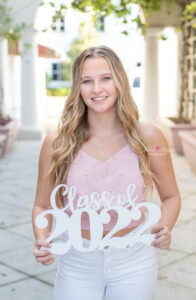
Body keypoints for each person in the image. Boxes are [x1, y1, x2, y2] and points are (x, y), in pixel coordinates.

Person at [32, 45, 181, 300]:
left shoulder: (149, 136)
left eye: (106, 78)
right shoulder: (57, 141)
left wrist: (164, 228)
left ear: (119, 81)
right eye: (87, 81)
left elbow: (171, 197)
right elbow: (41, 206)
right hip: (77, 260)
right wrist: (42, 240)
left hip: (134, 258)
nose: (97, 89)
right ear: (77, 88)